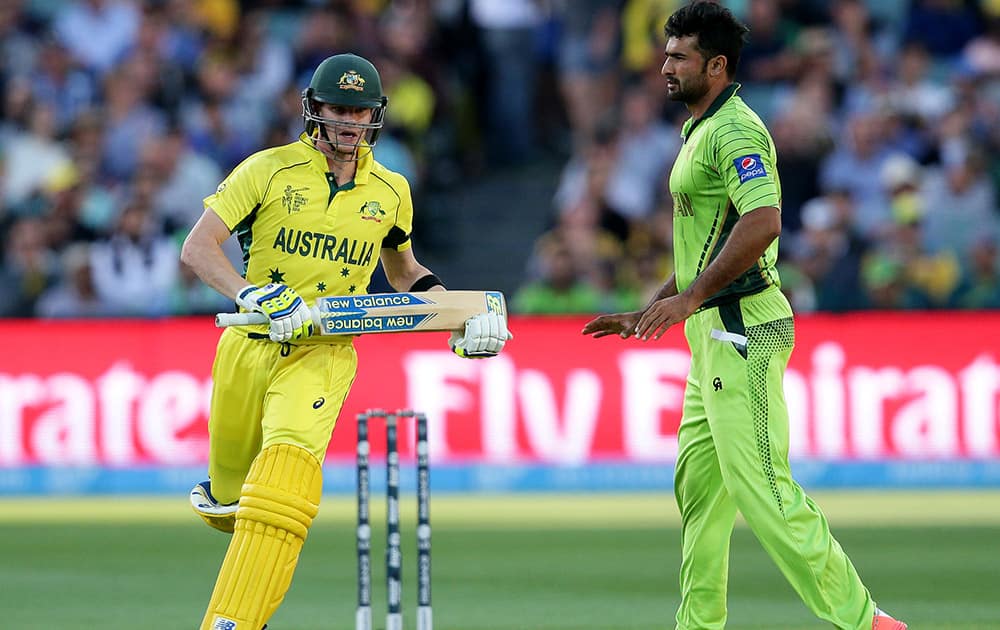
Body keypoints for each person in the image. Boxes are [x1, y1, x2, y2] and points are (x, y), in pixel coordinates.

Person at [581, 4, 906, 630]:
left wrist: (690, 299)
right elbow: (709, 240)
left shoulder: (735, 132)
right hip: (711, 336)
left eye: (679, 56)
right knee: (700, 494)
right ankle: (698, 624)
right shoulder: (699, 129)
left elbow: (762, 223)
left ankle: (865, 621)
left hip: (742, 330)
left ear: (717, 64)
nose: (665, 66)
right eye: (667, 53)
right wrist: (654, 306)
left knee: (761, 487)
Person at [180, 53, 511, 630]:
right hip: (250, 344)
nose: (349, 123)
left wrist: (461, 318)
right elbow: (198, 248)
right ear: (314, 109)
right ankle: (228, 504)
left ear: (376, 115)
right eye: (338, 109)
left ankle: (230, 623)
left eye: (360, 112)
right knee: (232, 505)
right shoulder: (267, 170)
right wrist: (249, 294)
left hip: (325, 349)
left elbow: (404, 271)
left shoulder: (391, 189)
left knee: (283, 488)